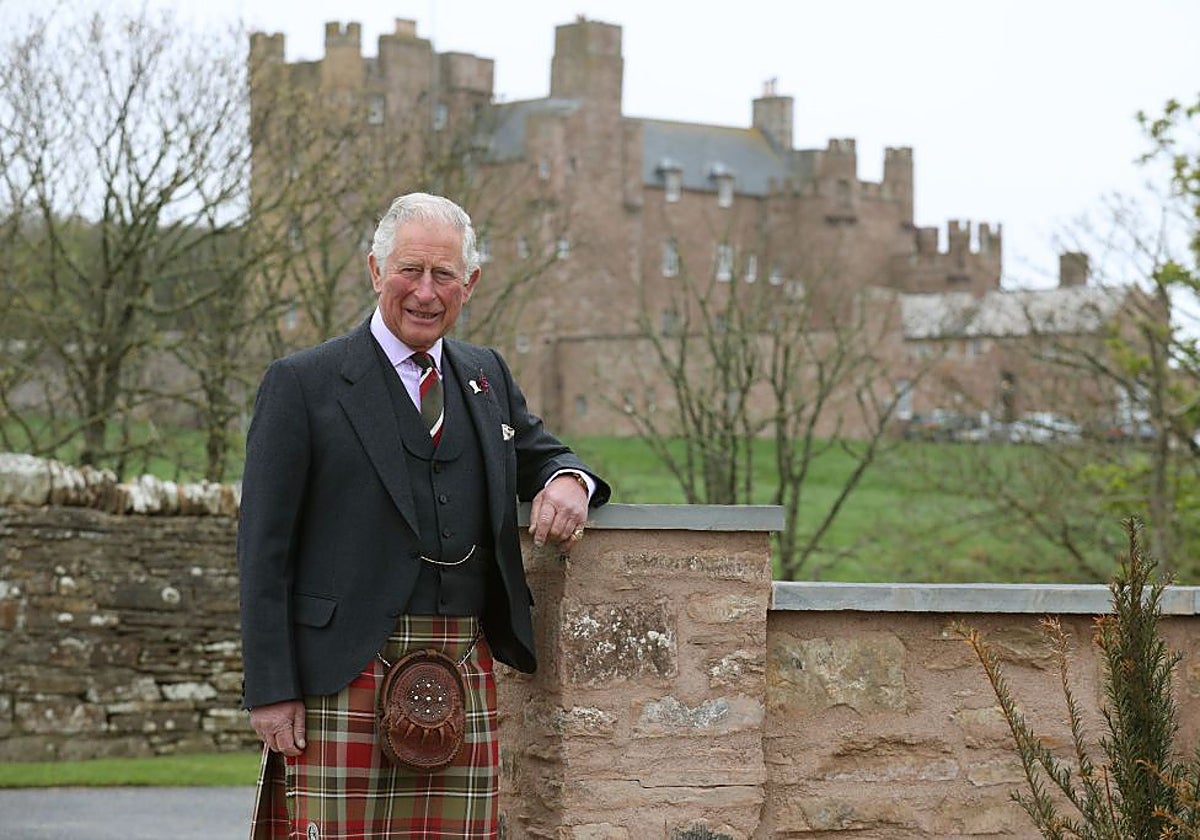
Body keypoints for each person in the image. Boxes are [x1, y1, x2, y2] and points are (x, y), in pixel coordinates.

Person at [238, 192, 610, 838]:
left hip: (462, 665)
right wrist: (271, 689)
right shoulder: (304, 384)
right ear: (375, 271)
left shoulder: (484, 375)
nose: (426, 292)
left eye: (444, 275)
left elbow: (543, 454)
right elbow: (262, 553)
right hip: (341, 673)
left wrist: (569, 482)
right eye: (411, 270)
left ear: (471, 283)